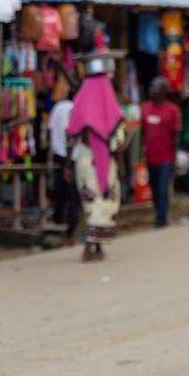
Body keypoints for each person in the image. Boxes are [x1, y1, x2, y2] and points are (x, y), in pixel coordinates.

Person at [67, 64, 125, 262]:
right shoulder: (111, 107)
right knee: (104, 201)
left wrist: (67, 165)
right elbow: (117, 142)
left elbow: (71, 136)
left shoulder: (79, 106)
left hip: (83, 161)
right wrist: (122, 166)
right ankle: (92, 245)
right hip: (105, 163)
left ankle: (95, 244)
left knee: (91, 202)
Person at [140, 77, 182, 228]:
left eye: (155, 87)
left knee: (163, 189)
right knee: (154, 188)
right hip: (150, 157)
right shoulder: (145, 108)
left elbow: (175, 137)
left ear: (164, 91)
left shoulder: (172, 110)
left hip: (166, 157)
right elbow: (143, 132)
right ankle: (159, 213)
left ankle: (161, 220)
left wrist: (174, 160)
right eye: (151, 86)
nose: (151, 90)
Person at [48, 93, 80, 241]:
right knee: (73, 196)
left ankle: (58, 226)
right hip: (71, 157)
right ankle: (69, 232)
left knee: (60, 193)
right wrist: (68, 165)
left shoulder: (57, 107)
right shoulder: (75, 109)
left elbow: (50, 130)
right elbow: (70, 137)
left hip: (58, 155)